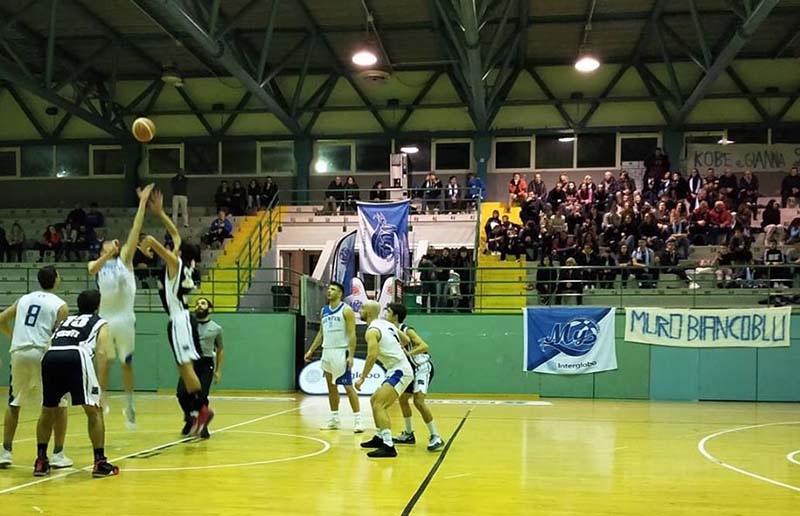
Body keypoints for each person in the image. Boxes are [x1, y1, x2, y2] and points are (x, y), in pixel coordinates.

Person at [140, 189, 213, 436]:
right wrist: (160, 213)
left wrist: (151, 242)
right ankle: (194, 412)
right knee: (184, 369)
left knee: (187, 369)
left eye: (175, 249)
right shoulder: (185, 265)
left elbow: (166, 248)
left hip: (180, 318)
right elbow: (175, 233)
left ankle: (202, 409)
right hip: (182, 319)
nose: (173, 248)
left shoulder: (175, 263)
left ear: (180, 254)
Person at [87, 183, 154, 430]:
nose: (110, 244)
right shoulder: (98, 263)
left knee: (126, 362)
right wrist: (107, 254)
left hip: (125, 319)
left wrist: (142, 203)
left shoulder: (125, 259)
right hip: (104, 319)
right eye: (106, 243)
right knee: (103, 361)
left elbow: (136, 229)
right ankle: (101, 396)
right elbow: (92, 268)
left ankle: (129, 403)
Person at [33, 290, 118, 478]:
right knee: (94, 411)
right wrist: (101, 389)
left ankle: (41, 461)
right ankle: (100, 462)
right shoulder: (100, 322)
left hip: (51, 356)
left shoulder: (65, 321)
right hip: (76, 355)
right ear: (98, 305)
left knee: (47, 410)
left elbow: (49, 344)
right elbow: (103, 353)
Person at [0, 266, 71, 468]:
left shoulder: (23, 299)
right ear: (56, 279)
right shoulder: (60, 305)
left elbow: (1, 319)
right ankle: (57, 453)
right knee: (58, 404)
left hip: (19, 352)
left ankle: (5, 452)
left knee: (14, 402)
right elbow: (60, 336)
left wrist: (15, 338)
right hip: (43, 353)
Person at [303, 282, 363, 432]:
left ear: (340, 294)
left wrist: (351, 355)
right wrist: (311, 350)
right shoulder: (324, 310)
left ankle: (358, 420)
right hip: (327, 352)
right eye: (329, 289)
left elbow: (352, 334)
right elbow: (321, 334)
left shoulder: (346, 310)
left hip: (341, 351)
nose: (329, 291)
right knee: (331, 387)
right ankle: (335, 418)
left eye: (333, 289)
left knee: (348, 387)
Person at [356, 301, 413, 458]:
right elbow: (406, 340)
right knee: (374, 400)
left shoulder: (372, 331)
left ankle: (389, 446)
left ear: (368, 313)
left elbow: (372, 355)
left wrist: (362, 378)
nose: (359, 311)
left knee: (379, 404)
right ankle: (380, 437)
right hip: (396, 368)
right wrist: (394, 348)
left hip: (400, 370)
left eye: (361, 309)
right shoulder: (384, 323)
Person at [385, 303, 445, 452]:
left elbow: (424, 346)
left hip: (422, 368)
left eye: (388, 312)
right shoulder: (391, 331)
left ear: (395, 316)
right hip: (410, 370)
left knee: (418, 401)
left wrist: (408, 354)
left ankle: (435, 436)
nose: (386, 314)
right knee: (403, 399)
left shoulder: (407, 330)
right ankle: (408, 434)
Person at [177, 298, 224, 438]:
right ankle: (190, 419)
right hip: (190, 362)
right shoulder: (189, 325)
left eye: (203, 303)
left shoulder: (216, 328)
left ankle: (203, 425)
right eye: (197, 303)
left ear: (210, 308)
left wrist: (218, 371)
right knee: (182, 393)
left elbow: (220, 349)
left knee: (202, 395)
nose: (199, 305)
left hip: (206, 363)